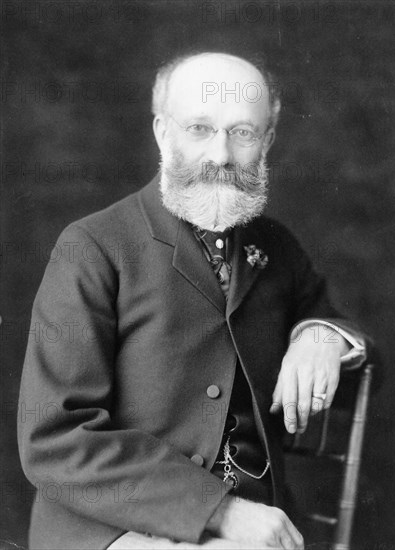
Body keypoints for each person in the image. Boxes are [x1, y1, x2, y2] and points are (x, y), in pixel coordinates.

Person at [18, 52, 367, 550]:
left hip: (252, 526)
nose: (221, 155)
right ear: (163, 133)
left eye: (242, 132)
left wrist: (321, 336)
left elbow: (329, 313)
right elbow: (54, 438)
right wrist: (220, 510)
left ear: (267, 140)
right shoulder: (93, 246)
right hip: (109, 524)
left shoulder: (276, 246)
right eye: (200, 128)